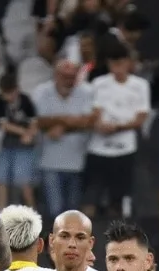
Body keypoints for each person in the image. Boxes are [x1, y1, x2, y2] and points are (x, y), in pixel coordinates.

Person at [83, 41, 149, 220]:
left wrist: (117, 127)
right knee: (91, 196)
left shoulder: (140, 85)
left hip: (125, 148)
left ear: (128, 63)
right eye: (113, 63)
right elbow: (93, 112)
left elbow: (141, 117)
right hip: (98, 148)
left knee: (118, 197)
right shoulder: (99, 83)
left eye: (120, 63)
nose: (117, 68)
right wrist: (99, 125)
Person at [32, 60, 95, 216]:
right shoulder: (42, 91)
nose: (68, 80)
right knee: (55, 211)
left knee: (73, 212)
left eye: (72, 76)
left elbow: (88, 121)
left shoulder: (86, 92)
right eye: (65, 76)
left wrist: (60, 125)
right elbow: (37, 121)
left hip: (77, 160)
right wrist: (69, 120)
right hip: (49, 161)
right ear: (56, 75)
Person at [0, 73, 39, 208]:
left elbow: (34, 122)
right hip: (5, 146)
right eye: (5, 94)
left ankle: (33, 214)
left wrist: (30, 134)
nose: (9, 97)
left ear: (17, 89)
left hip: (25, 148)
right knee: (2, 181)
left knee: (24, 182)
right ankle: (0, 215)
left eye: (11, 93)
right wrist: (24, 132)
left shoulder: (25, 100)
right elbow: (4, 125)